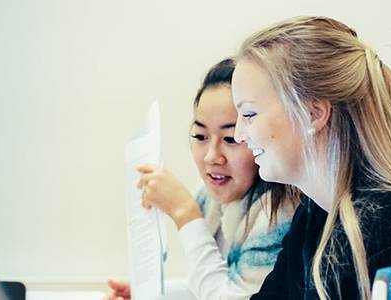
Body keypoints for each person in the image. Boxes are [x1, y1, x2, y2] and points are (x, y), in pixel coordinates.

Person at [228, 16, 391, 300]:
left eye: (248, 115)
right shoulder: (317, 215)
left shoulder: (388, 221)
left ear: (313, 114)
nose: (239, 134)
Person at [106, 59, 299, 300]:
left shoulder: (280, 212)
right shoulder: (212, 196)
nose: (211, 156)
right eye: (200, 135)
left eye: (230, 139)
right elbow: (208, 286)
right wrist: (152, 295)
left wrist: (185, 214)